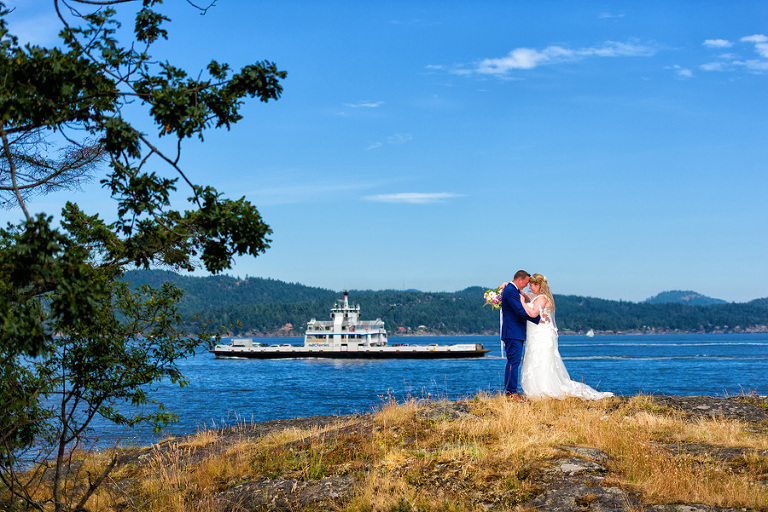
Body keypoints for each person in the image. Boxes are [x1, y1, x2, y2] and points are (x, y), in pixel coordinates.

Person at [519, 273, 613, 400]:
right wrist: (514, 288)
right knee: (536, 358)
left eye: (531, 285)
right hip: (536, 333)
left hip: (540, 335)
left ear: (538, 285)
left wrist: (522, 303)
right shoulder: (539, 297)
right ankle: (536, 388)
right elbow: (528, 296)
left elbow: (533, 313)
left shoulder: (541, 299)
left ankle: (542, 388)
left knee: (540, 358)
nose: (529, 288)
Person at [500, 270, 540, 399]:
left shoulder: (512, 289)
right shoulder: (511, 290)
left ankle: (510, 391)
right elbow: (519, 310)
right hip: (513, 332)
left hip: (515, 332)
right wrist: (537, 319)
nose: (527, 285)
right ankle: (511, 392)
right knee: (513, 362)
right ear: (520, 280)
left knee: (513, 361)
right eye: (526, 282)